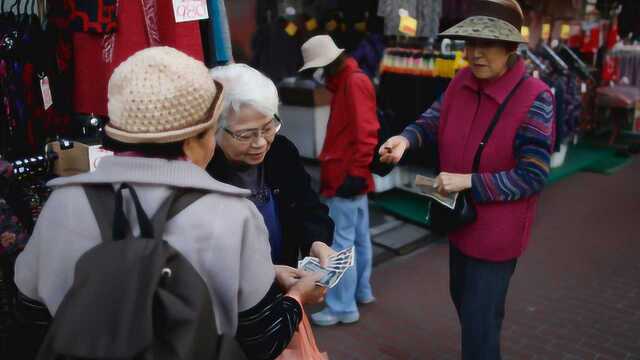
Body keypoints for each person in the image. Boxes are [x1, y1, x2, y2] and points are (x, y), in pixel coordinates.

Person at [13, 47, 326, 360]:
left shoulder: (62, 203)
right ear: (198, 139)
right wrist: (297, 297)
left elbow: (31, 325)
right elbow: (262, 342)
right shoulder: (233, 214)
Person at [380, 0, 555, 358]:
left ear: (509, 48)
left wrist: (469, 181)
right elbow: (432, 119)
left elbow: (532, 176)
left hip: (496, 237)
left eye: (486, 44)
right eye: (469, 43)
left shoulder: (536, 98)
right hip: (458, 223)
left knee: (477, 329)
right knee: (470, 308)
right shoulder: (462, 81)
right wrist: (406, 139)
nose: (474, 53)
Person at [207, 63, 336, 268]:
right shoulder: (202, 173)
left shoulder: (281, 152)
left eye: (268, 128)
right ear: (213, 129)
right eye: (246, 135)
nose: (260, 143)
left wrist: (317, 241)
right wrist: (268, 275)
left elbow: (308, 206)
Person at [298, 35, 380, 326]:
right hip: (351, 174)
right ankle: (360, 292)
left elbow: (365, 132)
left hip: (346, 175)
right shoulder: (350, 81)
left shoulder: (352, 83)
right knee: (357, 238)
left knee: (343, 244)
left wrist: (356, 173)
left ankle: (343, 306)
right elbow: (365, 132)